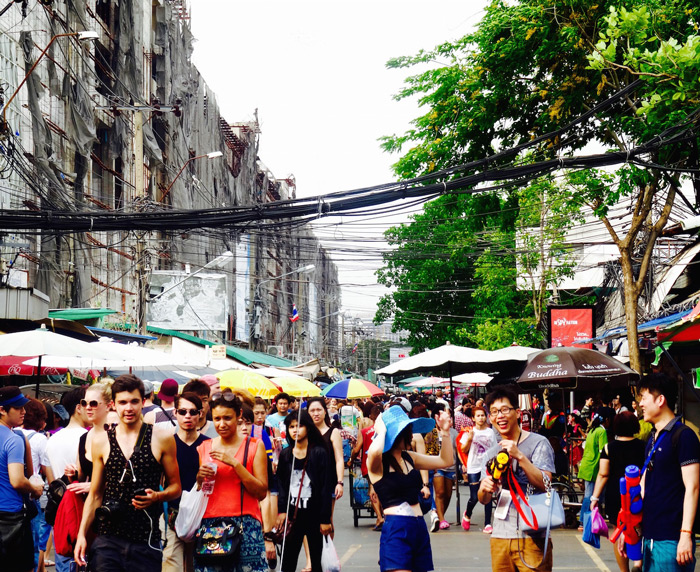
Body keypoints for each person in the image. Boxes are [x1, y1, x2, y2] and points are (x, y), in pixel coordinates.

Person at [74, 374, 182, 572]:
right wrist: (82, 534)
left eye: (134, 401)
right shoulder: (102, 441)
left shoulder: (162, 438)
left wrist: (158, 496)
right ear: (113, 405)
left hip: (145, 540)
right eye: (122, 402)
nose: (128, 408)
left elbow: (176, 487)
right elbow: (96, 494)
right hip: (108, 539)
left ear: (143, 402)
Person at [478, 385, 556, 572]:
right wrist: (484, 488)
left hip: (533, 534)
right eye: (495, 412)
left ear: (517, 412)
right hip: (500, 535)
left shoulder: (538, 443)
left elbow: (546, 484)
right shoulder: (491, 453)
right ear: (490, 418)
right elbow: (484, 499)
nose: (500, 416)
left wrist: (520, 456)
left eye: (505, 410)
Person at [367, 404, 452, 572]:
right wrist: (382, 431)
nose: (412, 435)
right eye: (407, 430)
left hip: (419, 527)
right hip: (396, 529)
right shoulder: (378, 464)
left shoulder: (409, 458)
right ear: (397, 434)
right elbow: (374, 452)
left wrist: (445, 432)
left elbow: (445, 461)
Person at [629, 373, 700, 571]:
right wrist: (632, 528)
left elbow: (693, 487)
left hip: (672, 539)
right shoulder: (652, 438)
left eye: (644, 397)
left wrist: (685, 534)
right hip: (649, 537)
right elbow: (645, 485)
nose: (640, 404)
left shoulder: (683, 436)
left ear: (660, 400)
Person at [195, 391, 268, 572]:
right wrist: (199, 478)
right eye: (217, 418)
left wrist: (235, 464)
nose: (221, 424)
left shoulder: (254, 446)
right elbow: (201, 490)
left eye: (227, 418)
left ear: (239, 416)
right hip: (211, 526)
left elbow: (261, 492)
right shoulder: (204, 447)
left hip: (246, 524)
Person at [276, 410, 332, 572]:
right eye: (291, 426)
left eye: (299, 426)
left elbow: (325, 487)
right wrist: (281, 511)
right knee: (287, 562)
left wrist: (325, 518)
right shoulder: (286, 455)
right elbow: (281, 485)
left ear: (308, 427)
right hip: (292, 516)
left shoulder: (319, 453)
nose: (295, 430)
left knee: (316, 561)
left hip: (314, 515)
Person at [590, 411, 645, 572]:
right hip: (638, 493)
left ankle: (624, 570)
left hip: (617, 494)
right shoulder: (644, 445)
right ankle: (638, 563)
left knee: (619, 529)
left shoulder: (609, 447)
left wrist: (594, 497)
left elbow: (603, 474)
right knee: (640, 528)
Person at [163, 392, 209, 572]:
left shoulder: (208, 445)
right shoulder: (167, 444)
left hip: (202, 516)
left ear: (200, 414)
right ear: (175, 413)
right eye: (183, 412)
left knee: (197, 566)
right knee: (170, 565)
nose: (187, 416)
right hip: (171, 514)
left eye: (192, 412)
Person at [0, 386, 44, 572]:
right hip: (11, 518)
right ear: (2, 409)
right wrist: (35, 489)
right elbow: (17, 480)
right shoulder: (13, 439)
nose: (24, 412)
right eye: (18, 408)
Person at [46, 387, 88, 572]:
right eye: (89, 403)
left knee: (63, 560)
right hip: (79, 510)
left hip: (59, 508)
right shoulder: (86, 438)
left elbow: (50, 478)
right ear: (79, 407)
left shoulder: (53, 439)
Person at [20, 397, 54, 572]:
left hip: (13, 498)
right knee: (37, 540)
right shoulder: (40, 439)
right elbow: (47, 471)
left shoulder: (11, 433)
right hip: (33, 494)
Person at [460, 405, 498, 533]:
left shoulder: (490, 432)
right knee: (474, 497)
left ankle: (487, 523)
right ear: (473, 418)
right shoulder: (469, 432)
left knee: (488, 494)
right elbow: (464, 450)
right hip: (473, 467)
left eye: (483, 415)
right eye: (478, 416)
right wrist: (470, 438)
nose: (481, 418)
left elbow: (494, 449)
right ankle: (467, 514)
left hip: (487, 467)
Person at [577, 407, 613, 529]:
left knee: (589, 495)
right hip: (594, 468)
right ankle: (583, 521)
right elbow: (604, 451)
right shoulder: (602, 432)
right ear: (606, 420)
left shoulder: (592, 430)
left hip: (587, 466)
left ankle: (587, 520)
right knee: (590, 496)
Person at [424, 402, 457, 531]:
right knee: (440, 492)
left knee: (448, 494)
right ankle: (442, 519)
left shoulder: (453, 432)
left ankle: (438, 514)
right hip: (437, 467)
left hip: (451, 467)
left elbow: (458, 450)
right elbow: (428, 451)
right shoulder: (431, 433)